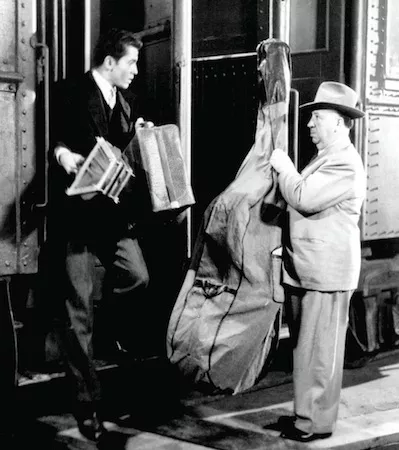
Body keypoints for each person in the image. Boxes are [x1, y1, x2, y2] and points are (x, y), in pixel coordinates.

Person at [48, 28, 150, 441]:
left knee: (138, 277)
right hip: (77, 221)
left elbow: (119, 150)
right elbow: (50, 137)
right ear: (110, 63)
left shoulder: (125, 103)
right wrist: (63, 155)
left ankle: (102, 340)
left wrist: (138, 134)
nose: (136, 71)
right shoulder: (70, 91)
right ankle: (87, 405)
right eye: (131, 63)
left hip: (111, 221)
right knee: (77, 318)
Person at [269, 81, 366, 442]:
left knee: (320, 353)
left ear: (340, 123)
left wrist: (284, 167)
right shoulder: (327, 156)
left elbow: (304, 197)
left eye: (318, 118)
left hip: (326, 272)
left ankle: (315, 425)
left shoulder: (343, 161)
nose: (309, 123)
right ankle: (304, 415)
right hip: (310, 268)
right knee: (306, 350)